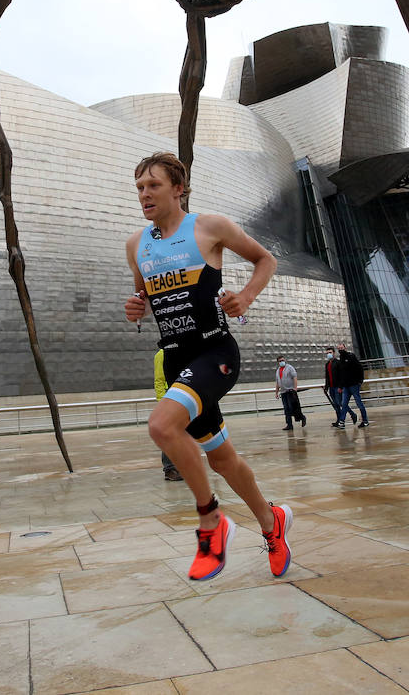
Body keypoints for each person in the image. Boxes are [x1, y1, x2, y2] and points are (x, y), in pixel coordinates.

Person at [125, 152, 292, 581]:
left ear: (178, 189)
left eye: (154, 185)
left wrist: (246, 298)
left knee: (163, 426)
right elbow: (144, 297)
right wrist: (136, 306)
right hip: (178, 357)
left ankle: (211, 523)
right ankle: (272, 523)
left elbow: (265, 260)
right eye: (140, 187)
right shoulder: (136, 245)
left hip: (215, 354)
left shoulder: (209, 227)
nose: (144, 194)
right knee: (222, 459)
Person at [154, 350, 181, 481]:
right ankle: (169, 468)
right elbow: (159, 381)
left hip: (182, 397)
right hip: (169, 398)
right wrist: (162, 402)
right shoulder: (161, 354)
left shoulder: (181, 350)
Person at [338, 343, 369, 427]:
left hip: (354, 385)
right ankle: (342, 421)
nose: (340, 349)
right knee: (344, 404)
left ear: (345, 348)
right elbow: (342, 374)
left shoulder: (351, 356)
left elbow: (359, 368)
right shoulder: (340, 359)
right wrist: (341, 386)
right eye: (339, 348)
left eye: (342, 348)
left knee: (359, 403)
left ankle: (365, 421)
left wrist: (360, 381)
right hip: (346, 386)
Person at [274, 355, 305, 430]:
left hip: (290, 391)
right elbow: (278, 382)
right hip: (283, 392)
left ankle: (302, 417)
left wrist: (295, 388)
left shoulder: (289, 368)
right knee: (286, 409)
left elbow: (295, 377)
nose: (282, 362)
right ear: (278, 362)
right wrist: (276, 392)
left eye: (283, 360)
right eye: (280, 361)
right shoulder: (278, 371)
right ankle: (289, 424)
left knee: (293, 407)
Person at [323, 347, 345, 428]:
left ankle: (345, 419)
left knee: (340, 403)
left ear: (334, 353)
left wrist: (340, 386)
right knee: (336, 405)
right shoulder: (327, 364)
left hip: (337, 387)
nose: (329, 354)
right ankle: (339, 420)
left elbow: (341, 376)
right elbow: (327, 377)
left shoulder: (338, 363)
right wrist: (326, 387)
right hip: (331, 387)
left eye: (330, 352)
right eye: (327, 353)